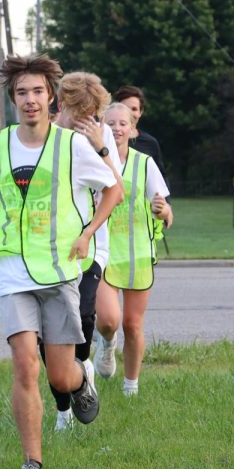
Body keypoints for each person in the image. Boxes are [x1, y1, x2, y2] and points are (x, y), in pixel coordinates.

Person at [0, 54, 122, 469]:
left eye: (37, 92)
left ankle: (80, 382)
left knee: (62, 375)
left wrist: (87, 234)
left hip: (61, 270)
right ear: (13, 99)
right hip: (12, 270)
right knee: (25, 362)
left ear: (51, 97)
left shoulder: (72, 146)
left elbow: (114, 191)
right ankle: (32, 459)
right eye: (21, 93)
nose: (29, 100)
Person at [46, 71, 122, 428]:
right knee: (48, 339)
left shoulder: (99, 135)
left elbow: (116, 189)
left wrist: (101, 147)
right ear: (63, 106)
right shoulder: (45, 136)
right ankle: (63, 409)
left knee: (84, 320)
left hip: (92, 247)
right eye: (82, 113)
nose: (89, 121)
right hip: (46, 251)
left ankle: (83, 374)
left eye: (95, 114)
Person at [94, 102, 173, 397]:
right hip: (102, 253)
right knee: (108, 320)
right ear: (101, 127)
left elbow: (167, 214)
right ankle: (106, 341)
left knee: (132, 323)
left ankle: (131, 387)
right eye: (109, 123)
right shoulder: (92, 161)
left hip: (138, 253)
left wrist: (162, 210)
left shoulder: (144, 164)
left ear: (133, 129)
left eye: (122, 124)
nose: (116, 129)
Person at [112, 85, 165, 174]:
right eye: (125, 108)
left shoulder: (150, 143)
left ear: (141, 112)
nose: (130, 113)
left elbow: (161, 178)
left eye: (134, 109)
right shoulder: (103, 140)